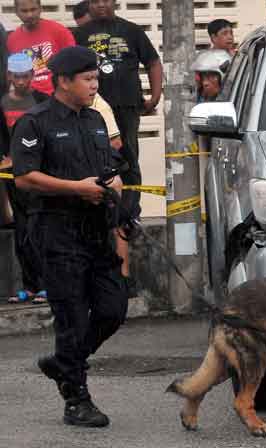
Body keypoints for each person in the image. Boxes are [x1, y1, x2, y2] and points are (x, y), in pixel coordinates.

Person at [11, 45, 127, 427]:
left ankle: (63, 363)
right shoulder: (35, 121)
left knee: (113, 308)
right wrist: (77, 188)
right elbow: (25, 177)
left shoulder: (95, 120)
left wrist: (116, 187)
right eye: (88, 79)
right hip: (56, 232)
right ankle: (76, 399)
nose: (95, 85)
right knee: (72, 317)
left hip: (96, 230)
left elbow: (108, 168)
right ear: (63, 81)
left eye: (96, 78)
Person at [75, 0, 163, 292]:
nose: (101, 5)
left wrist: (154, 95)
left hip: (126, 106)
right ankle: (98, 205)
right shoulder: (80, 34)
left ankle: (129, 211)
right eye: (96, 1)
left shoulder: (132, 30)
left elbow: (153, 62)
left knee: (128, 159)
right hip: (92, 107)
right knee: (92, 160)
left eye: (106, 0)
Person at [1, 53, 49, 304]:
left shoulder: (42, 101)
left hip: (37, 175)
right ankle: (29, 286)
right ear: (9, 76)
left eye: (25, 76)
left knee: (38, 228)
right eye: (16, 77)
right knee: (22, 230)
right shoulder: (2, 104)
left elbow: (48, 136)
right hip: (12, 176)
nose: (21, 81)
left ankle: (45, 285)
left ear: (32, 75)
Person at [8, 0, 76, 95]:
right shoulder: (12, 39)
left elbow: (74, 63)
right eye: (24, 11)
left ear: (40, 9)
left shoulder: (59, 31)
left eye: (33, 9)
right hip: (30, 99)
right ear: (16, 12)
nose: (29, 15)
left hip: (59, 95)